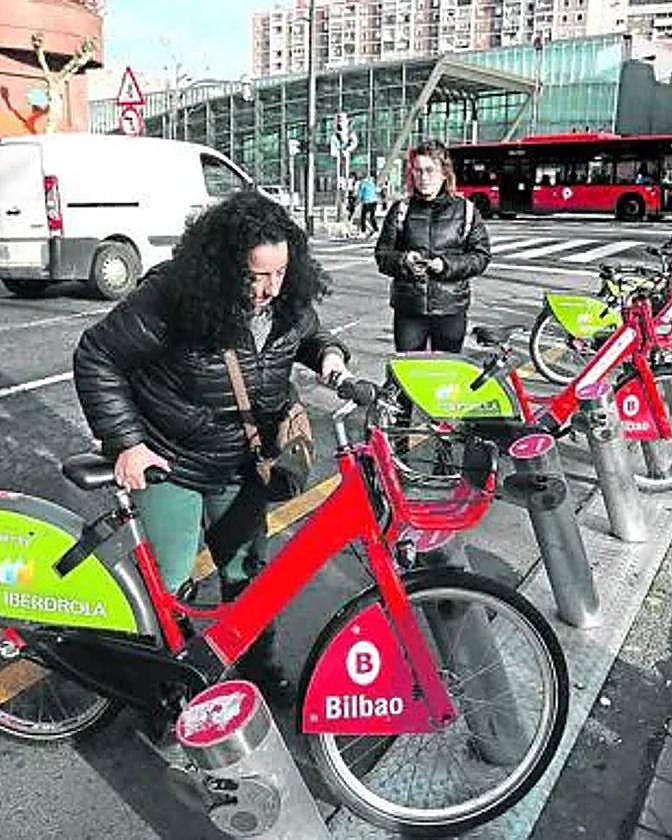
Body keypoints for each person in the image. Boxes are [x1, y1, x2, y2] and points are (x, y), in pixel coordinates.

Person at [73, 190, 350, 698]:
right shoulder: (172, 300)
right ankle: (166, 686)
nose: (270, 288)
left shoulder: (285, 298)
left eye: (281, 273)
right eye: (257, 275)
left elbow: (308, 333)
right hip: (170, 460)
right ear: (224, 267)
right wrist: (127, 443)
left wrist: (329, 355)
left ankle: (257, 666)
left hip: (241, 462)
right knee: (170, 584)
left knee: (248, 573)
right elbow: (97, 356)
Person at [375, 139, 491, 355]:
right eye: (417, 171)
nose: (423, 177)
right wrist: (403, 261)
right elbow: (382, 255)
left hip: (451, 307)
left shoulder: (465, 211)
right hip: (410, 308)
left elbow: (481, 256)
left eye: (430, 170)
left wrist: (445, 265)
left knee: (447, 376)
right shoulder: (401, 210)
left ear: (444, 173)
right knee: (409, 375)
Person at [357, 171, 379, 236]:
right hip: (374, 201)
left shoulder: (362, 183)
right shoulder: (371, 182)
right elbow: (375, 191)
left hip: (367, 201)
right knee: (372, 216)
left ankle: (363, 231)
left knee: (363, 217)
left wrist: (358, 201)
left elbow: (360, 194)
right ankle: (376, 229)